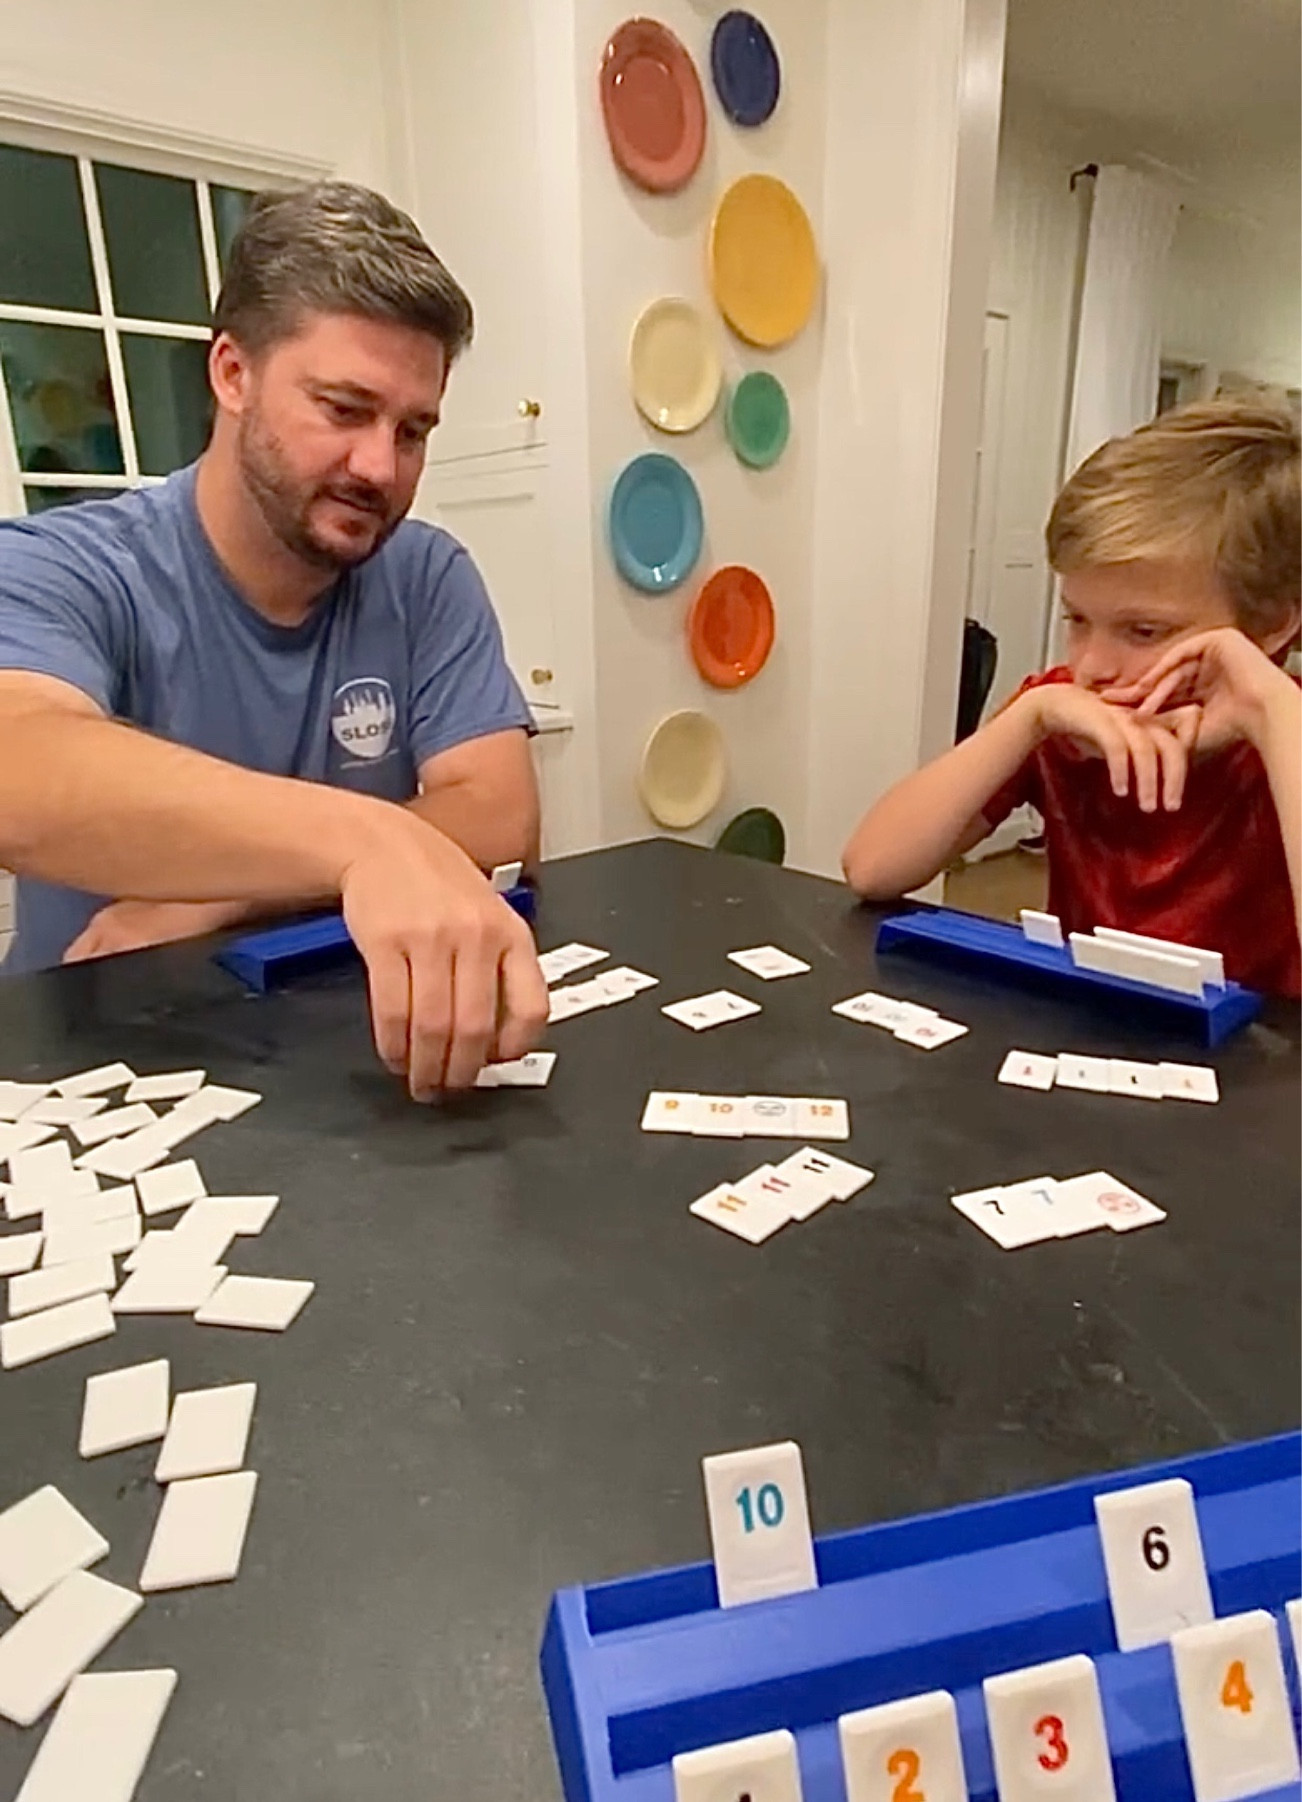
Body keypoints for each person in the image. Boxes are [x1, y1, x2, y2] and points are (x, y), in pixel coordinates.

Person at [0, 181, 550, 1094]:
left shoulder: (426, 573)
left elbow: (499, 815)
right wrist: (368, 846)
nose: (380, 466)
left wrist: (223, 890)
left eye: (413, 430)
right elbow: (19, 768)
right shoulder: (67, 563)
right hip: (86, 1074)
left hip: (338, 1061)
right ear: (232, 374)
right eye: (343, 409)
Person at [843, 399, 1301, 995]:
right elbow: (872, 867)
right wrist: (1030, 718)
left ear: (1269, 626)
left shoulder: (1287, 729)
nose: (1092, 666)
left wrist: (1272, 715)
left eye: (1144, 631)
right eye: (1077, 618)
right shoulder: (1067, 712)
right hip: (1090, 1041)